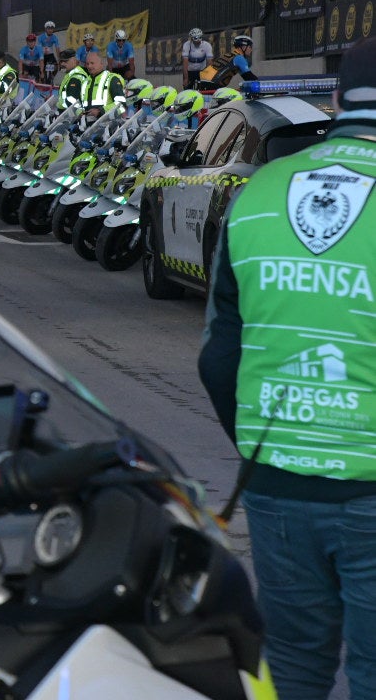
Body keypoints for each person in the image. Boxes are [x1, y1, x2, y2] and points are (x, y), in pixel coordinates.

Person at [198, 36, 376, 700]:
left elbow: (218, 356)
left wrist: (263, 447)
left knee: (294, 668)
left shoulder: (263, 190)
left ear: (336, 97)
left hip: (274, 484)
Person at [81, 50, 125, 118]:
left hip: (107, 123)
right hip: (87, 125)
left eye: (92, 63)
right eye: (87, 64)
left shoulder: (112, 79)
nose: (89, 66)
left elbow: (121, 105)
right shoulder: (85, 82)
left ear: (101, 63)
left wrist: (100, 111)